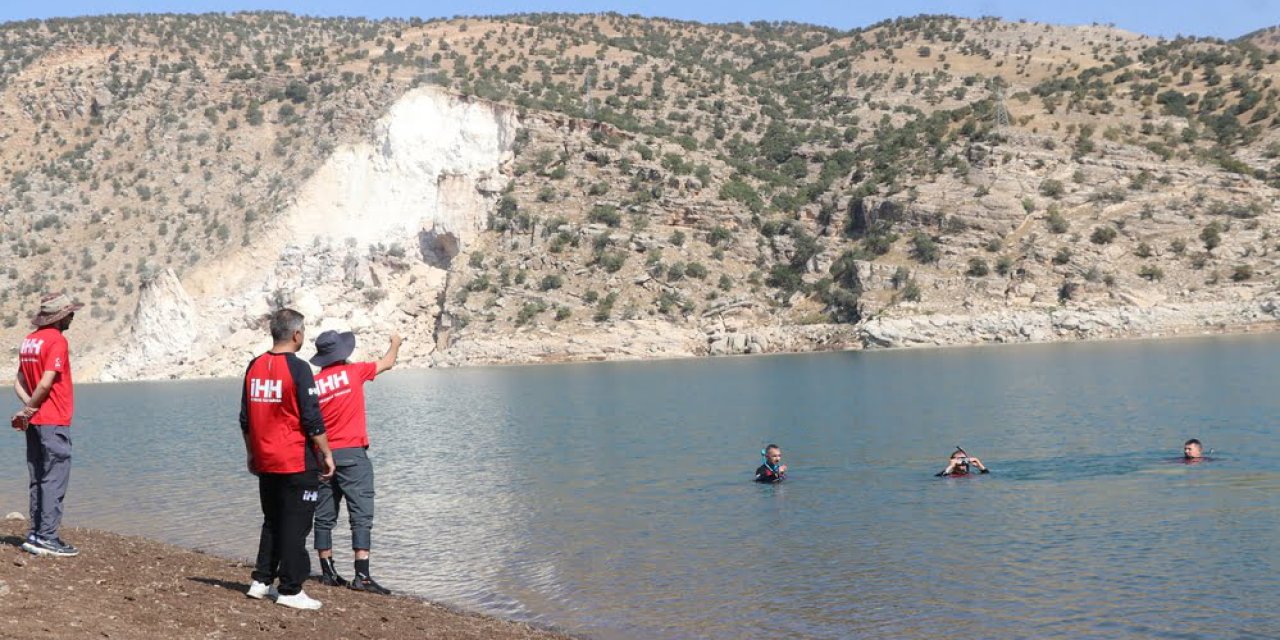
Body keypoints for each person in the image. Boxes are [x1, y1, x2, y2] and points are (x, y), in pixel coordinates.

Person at [241, 308, 335, 610]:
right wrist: (327, 453)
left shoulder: (254, 366)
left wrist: (252, 453)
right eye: (303, 331)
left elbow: (245, 420)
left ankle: (262, 580)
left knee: (272, 520)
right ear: (296, 335)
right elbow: (312, 419)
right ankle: (291, 589)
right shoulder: (299, 368)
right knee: (296, 524)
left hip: (265, 459)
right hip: (294, 459)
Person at [309, 329, 401, 595]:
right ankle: (362, 575)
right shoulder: (354, 372)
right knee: (360, 514)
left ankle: (327, 571)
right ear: (342, 354)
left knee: (324, 515)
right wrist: (395, 342)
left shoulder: (314, 384)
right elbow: (388, 363)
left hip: (323, 456)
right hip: (352, 455)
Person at [11, 293, 83, 558]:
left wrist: (28, 407)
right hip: (53, 420)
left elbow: (17, 380)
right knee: (55, 477)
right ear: (59, 317)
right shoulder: (57, 342)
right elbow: (46, 382)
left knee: (38, 476)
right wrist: (32, 406)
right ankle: (47, 538)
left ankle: (35, 533)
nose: (72, 317)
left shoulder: (29, 341)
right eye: (69, 314)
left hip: (35, 421)